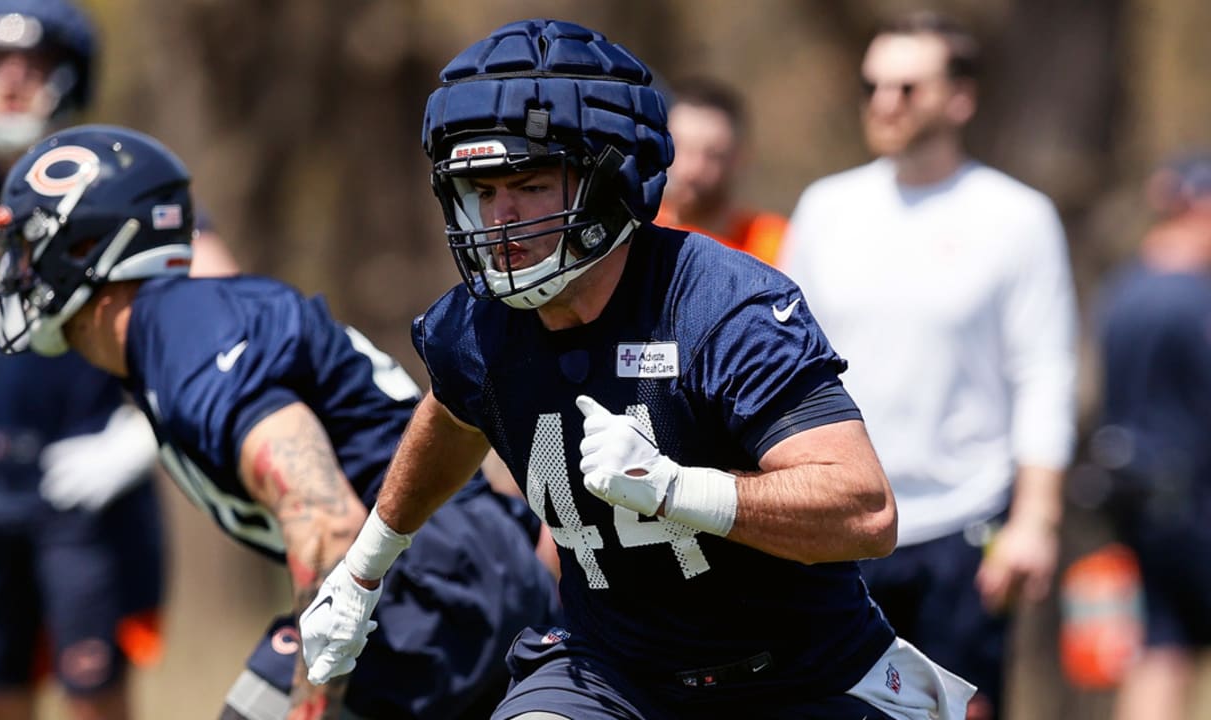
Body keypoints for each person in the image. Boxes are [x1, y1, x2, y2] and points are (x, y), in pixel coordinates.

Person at [300, 18, 975, 720]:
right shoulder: (476, 328)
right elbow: (452, 415)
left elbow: (864, 512)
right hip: (612, 673)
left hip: (800, 673)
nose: (498, 221)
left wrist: (680, 490)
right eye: (479, 190)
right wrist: (361, 571)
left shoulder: (721, 306)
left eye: (528, 183)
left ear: (609, 176)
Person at [0, 123, 560, 719]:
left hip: (425, 584)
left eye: (29, 248)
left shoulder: (184, 336)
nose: (16, 274)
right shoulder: (178, 333)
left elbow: (329, 526)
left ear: (87, 247)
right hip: (457, 571)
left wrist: (311, 707)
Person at [780, 11, 1078, 720]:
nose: (885, 102)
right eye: (872, 85)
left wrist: (1035, 519)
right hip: (841, 528)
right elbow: (784, 369)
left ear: (960, 98)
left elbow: (1044, 372)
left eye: (908, 87)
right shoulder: (826, 209)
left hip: (963, 524)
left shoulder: (1017, 216)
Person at [0, 3, 168, 718]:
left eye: (31, 67)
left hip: (88, 493)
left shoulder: (120, 190)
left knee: (94, 692)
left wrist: (144, 431)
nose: (11, 82)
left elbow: (212, 309)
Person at [1090, 154, 1211, 720]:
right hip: (1192, 507)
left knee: (1160, 648)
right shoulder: (1192, 300)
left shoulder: (1124, 290)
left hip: (1138, 502)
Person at [655, 75, 788, 263]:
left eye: (713, 155)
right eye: (680, 148)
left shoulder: (774, 243)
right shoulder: (634, 232)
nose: (693, 170)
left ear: (741, 158)